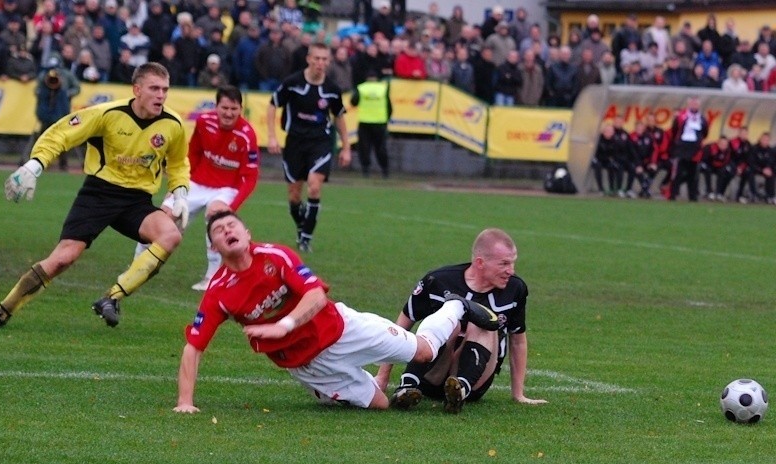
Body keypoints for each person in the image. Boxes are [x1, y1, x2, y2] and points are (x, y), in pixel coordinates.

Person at [173, 211, 500, 412]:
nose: (227, 231)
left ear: (246, 233)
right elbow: (194, 346)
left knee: (426, 351)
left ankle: (456, 305)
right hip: (309, 366)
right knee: (380, 405)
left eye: (233, 225)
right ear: (214, 248)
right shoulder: (219, 291)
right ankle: (360, 386)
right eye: (219, 231)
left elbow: (315, 296)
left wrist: (284, 325)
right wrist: (185, 402)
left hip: (344, 329)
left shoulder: (276, 256)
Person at [0, 63, 190, 330]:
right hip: (99, 194)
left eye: (165, 90)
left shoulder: (173, 124)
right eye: (154, 89)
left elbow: (179, 163)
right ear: (137, 90)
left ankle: (111, 299)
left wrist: (180, 190)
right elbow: (62, 133)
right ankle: (1, 312)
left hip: (137, 201)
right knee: (63, 259)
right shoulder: (107, 114)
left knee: (170, 235)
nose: (161, 95)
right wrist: (36, 164)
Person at [375, 228, 546, 414]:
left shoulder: (516, 289)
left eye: (512, 263)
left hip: (475, 383)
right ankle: (407, 386)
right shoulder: (438, 281)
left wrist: (518, 394)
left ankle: (460, 389)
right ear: (480, 262)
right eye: (504, 264)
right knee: (450, 321)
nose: (510, 271)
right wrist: (383, 376)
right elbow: (401, 326)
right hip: (430, 376)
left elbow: (518, 341)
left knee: (484, 320)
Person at [134, 86, 259, 292]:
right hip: (196, 182)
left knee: (216, 215)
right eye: (224, 107)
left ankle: (210, 278)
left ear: (240, 109)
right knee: (163, 216)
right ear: (216, 106)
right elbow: (192, 156)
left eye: (234, 109)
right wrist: (176, 186)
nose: (228, 113)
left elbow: (251, 177)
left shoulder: (247, 135)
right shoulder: (203, 122)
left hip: (226, 189)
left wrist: (232, 207)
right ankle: (138, 265)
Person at [266, 42, 352, 253]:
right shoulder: (292, 83)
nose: (320, 63)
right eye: (317, 58)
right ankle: (301, 227)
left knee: (314, 185)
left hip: (321, 142)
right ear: (309, 59)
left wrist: (346, 147)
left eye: (324, 59)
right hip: (295, 142)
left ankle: (306, 238)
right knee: (294, 195)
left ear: (329, 62)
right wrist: (271, 137)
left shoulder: (332, 90)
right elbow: (272, 105)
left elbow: (339, 116)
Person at [351, 74, 391, 179]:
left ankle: (366, 171)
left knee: (364, 148)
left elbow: (353, 102)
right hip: (380, 122)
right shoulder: (383, 88)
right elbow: (389, 106)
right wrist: (386, 118)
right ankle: (385, 170)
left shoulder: (362, 88)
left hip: (365, 122)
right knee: (381, 148)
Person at [669, 97, 709, 202]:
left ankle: (693, 196)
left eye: (696, 103)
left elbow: (705, 132)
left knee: (693, 174)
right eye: (692, 103)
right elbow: (674, 130)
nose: (694, 105)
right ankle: (672, 195)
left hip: (695, 149)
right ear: (688, 104)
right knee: (677, 173)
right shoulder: (681, 116)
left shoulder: (702, 118)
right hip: (682, 148)